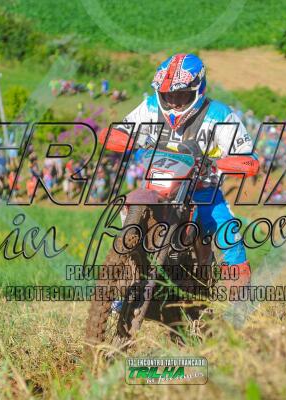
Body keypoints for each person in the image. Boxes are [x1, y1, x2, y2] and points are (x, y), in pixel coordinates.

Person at [108, 53, 256, 288]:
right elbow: (117, 133)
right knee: (127, 206)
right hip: (157, 185)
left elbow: (250, 161)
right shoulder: (150, 107)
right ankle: (124, 279)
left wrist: (216, 164)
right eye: (168, 95)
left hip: (202, 189)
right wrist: (123, 139)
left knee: (228, 231)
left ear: (198, 89)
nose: (174, 102)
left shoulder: (220, 115)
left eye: (181, 95)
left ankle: (240, 298)